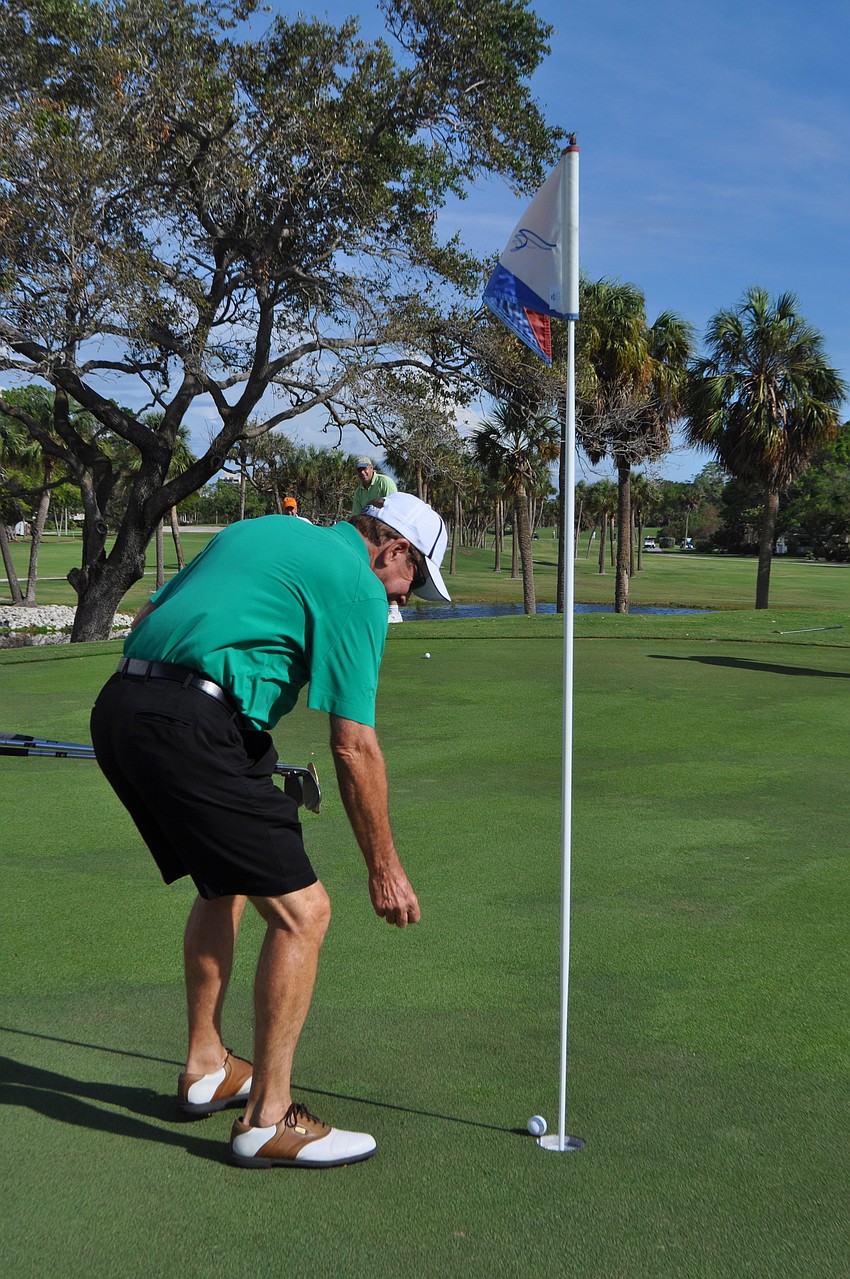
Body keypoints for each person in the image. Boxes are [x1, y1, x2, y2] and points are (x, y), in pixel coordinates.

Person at [90, 493, 450, 1169]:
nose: (407, 598)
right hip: (192, 725)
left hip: (121, 706)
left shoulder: (263, 528)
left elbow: (148, 614)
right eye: (414, 582)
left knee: (222, 882)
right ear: (393, 550)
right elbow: (353, 746)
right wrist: (385, 865)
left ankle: (206, 1068)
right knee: (304, 912)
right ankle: (268, 1118)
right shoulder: (359, 586)